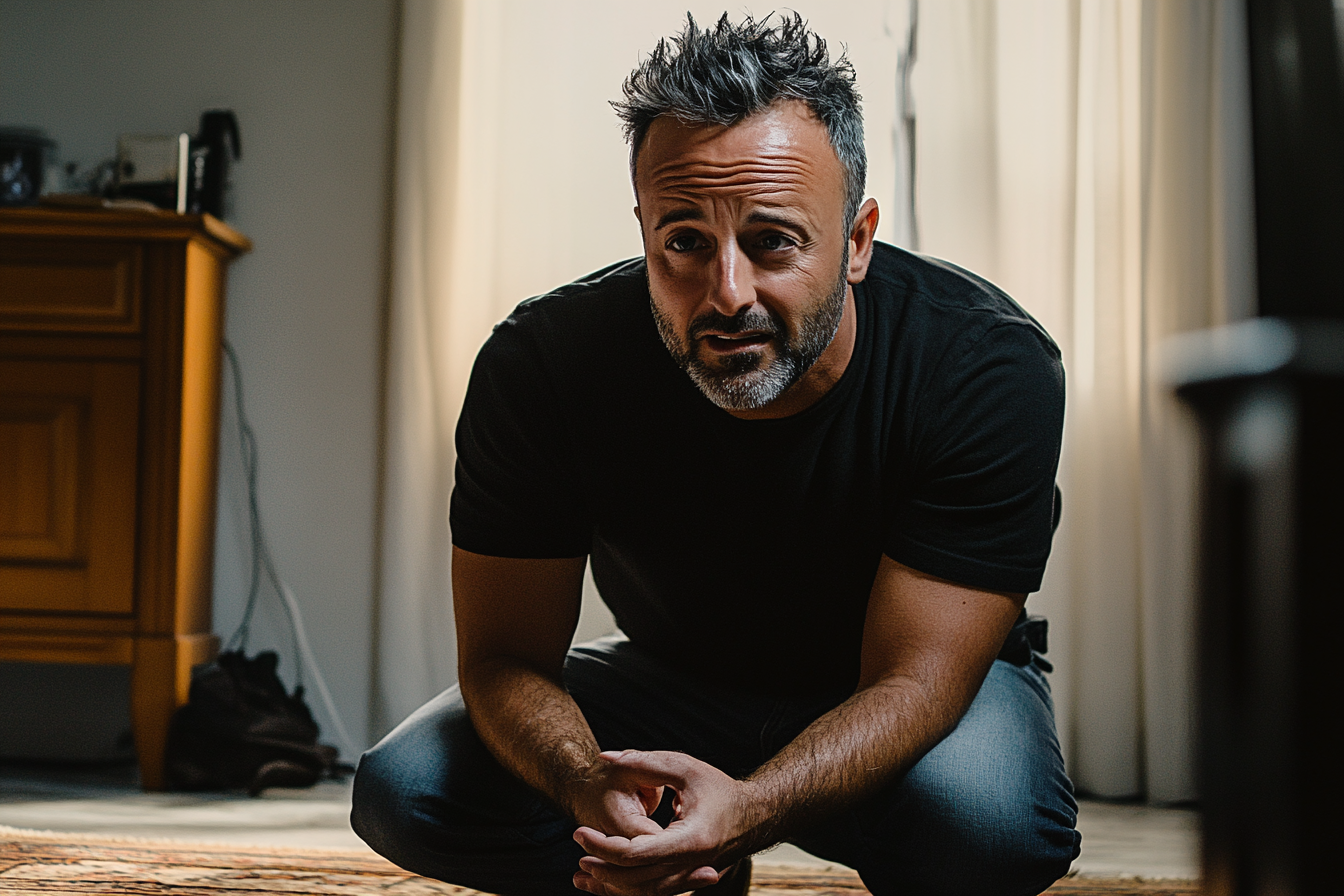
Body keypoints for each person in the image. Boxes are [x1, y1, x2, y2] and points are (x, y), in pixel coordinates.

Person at [352, 13, 1081, 896]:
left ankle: (712, 833)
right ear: (645, 230)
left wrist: (749, 808)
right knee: (407, 791)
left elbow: (917, 681)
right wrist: (587, 786)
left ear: (856, 241)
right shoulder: (543, 365)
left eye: (772, 240)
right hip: (674, 684)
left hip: (897, 691)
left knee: (985, 830)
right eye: (685, 242)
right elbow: (504, 659)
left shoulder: (984, 366)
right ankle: (671, 868)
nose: (726, 294)